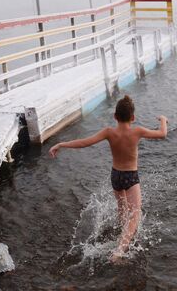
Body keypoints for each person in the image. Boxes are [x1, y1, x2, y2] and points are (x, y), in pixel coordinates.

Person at [49, 95, 168, 262]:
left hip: (116, 176)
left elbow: (84, 142)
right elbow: (162, 134)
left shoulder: (108, 132)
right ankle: (119, 251)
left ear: (115, 117)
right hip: (130, 176)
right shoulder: (137, 131)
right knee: (135, 214)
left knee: (122, 209)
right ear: (132, 118)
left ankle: (120, 232)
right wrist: (163, 119)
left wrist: (61, 144)